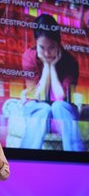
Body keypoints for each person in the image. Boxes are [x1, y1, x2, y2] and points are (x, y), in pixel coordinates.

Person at [20, 14, 84, 151]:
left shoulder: (70, 62)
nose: (47, 53)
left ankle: (78, 162)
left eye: (52, 47)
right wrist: (46, 69)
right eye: (42, 47)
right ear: (36, 43)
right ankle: (26, 161)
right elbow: (36, 96)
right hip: (36, 107)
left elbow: (61, 98)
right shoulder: (29, 57)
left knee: (58, 106)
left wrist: (52, 67)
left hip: (63, 110)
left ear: (59, 43)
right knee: (43, 109)